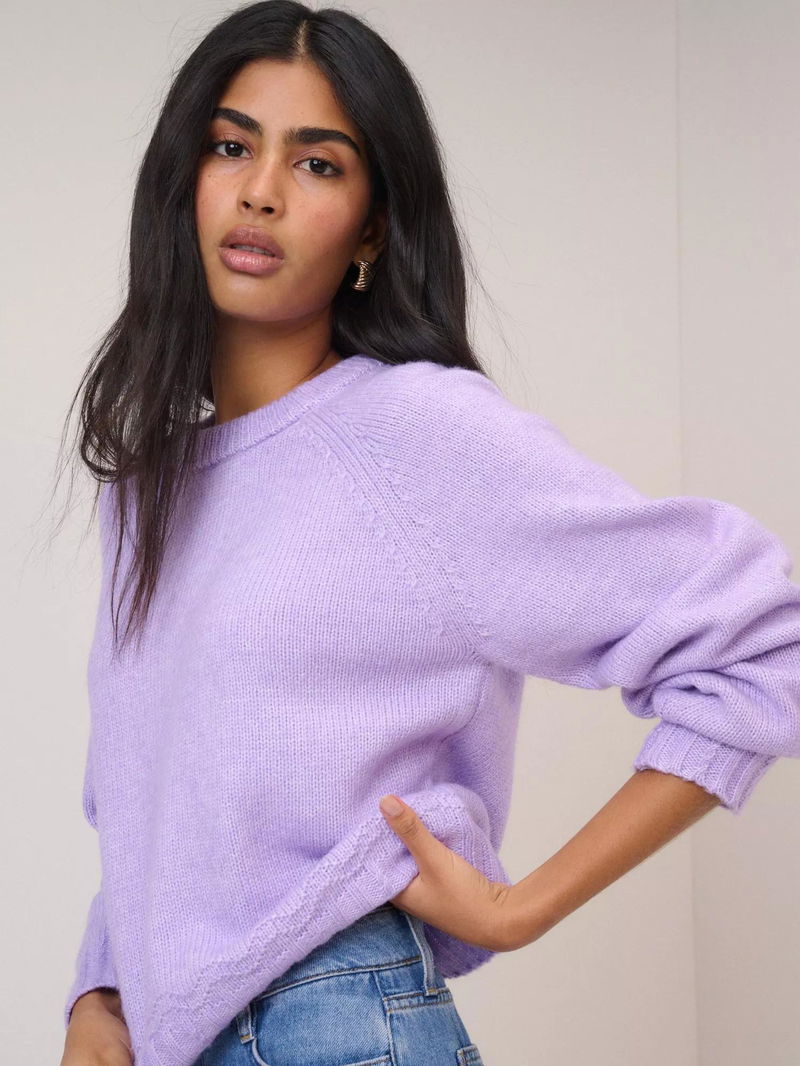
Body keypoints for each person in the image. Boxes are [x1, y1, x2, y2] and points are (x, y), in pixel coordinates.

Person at [59, 3, 800, 1065]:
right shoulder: (146, 494)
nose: (260, 190)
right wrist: (102, 990)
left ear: (371, 228)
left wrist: (520, 907)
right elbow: (157, 798)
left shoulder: (411, 434)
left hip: (338, 1019)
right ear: (181, 182)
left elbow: (760, 641)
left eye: (317, 164)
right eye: (230, 147)